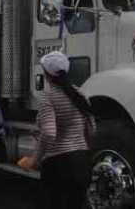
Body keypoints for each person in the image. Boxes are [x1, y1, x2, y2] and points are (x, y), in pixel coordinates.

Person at [18, 51, 95, 209]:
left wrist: (34, 160)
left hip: (58, 167)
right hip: (81, 164)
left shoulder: (49, 97)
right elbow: (91, 128)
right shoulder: (80, 94)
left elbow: (49, 133)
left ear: (46, 74)